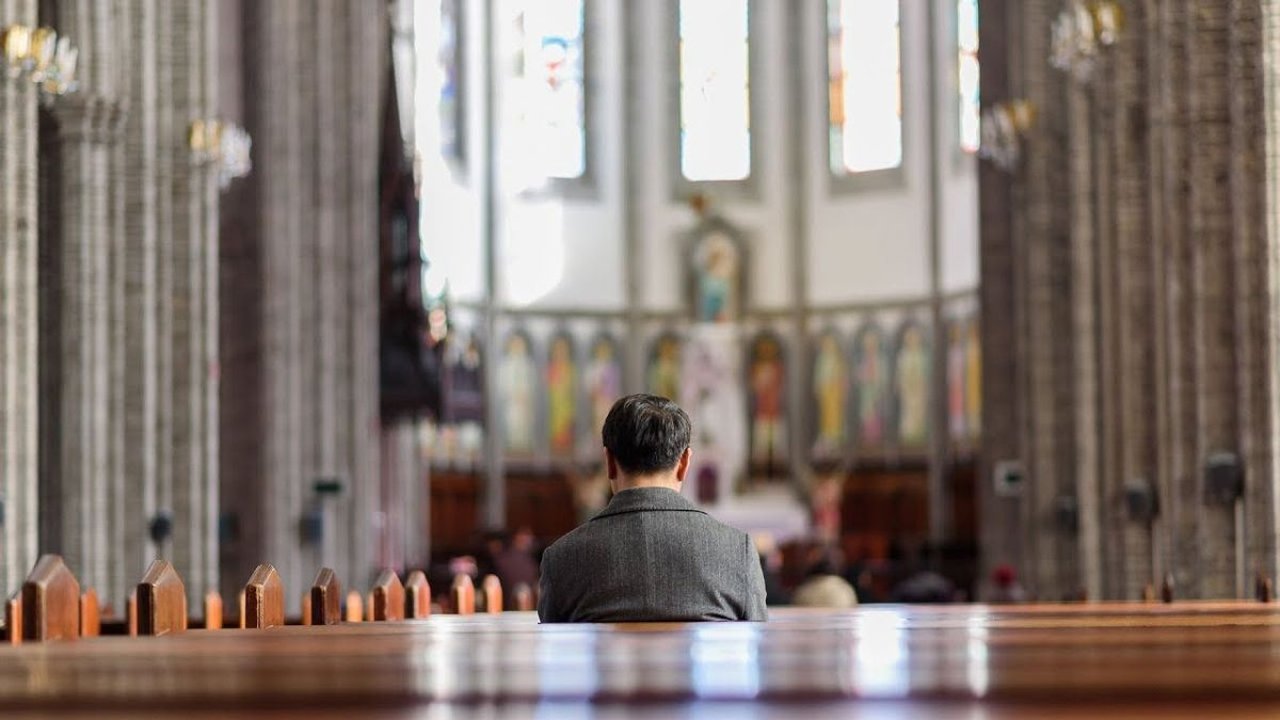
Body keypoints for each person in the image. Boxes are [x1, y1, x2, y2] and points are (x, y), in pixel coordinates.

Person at [538, 394, 768, 622]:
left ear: (608, 462)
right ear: (684, 463)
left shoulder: (562, 559)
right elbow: (759, 647)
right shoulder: (738, 552)